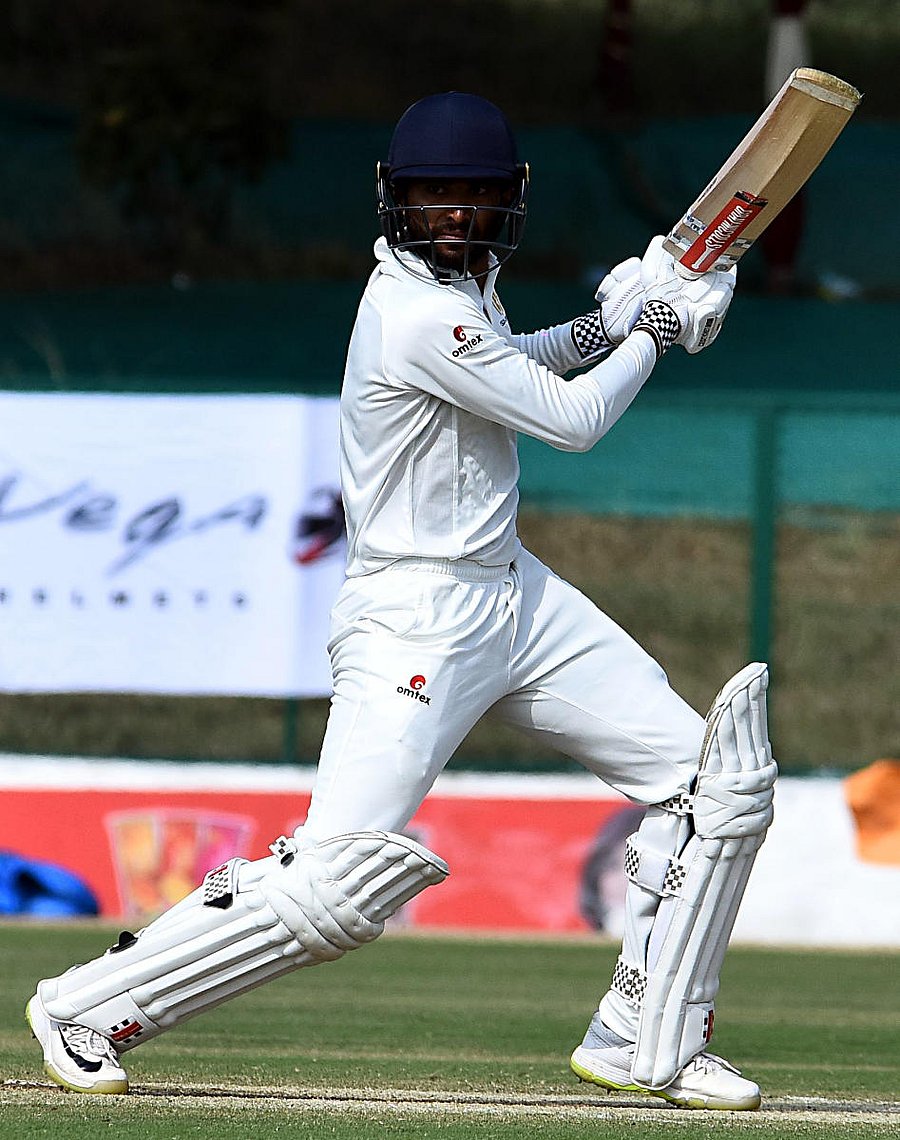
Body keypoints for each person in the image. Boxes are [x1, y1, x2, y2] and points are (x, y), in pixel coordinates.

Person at [26, 92, 776, 1110]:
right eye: (435, 196)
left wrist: (608, 321)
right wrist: (652, 328)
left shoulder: (468, 292)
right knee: (337, 882)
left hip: (514, 594)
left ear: (508, 200)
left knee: (715, 788)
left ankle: (649, 1033)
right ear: (396, 201)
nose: (456, 214)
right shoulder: (414, 311)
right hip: (413, 618)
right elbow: (573, 422)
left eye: (473, 195)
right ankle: (85, 1005)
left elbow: (525, 368)